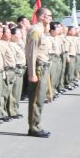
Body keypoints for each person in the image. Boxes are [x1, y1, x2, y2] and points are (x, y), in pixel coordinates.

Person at [26, 7, 52, 138]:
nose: (51, 18)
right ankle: (33, 127)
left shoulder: (42, 31)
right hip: (38, 68)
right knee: (36, 99)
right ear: (41, 16)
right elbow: (31, 53)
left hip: (44, 66)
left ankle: (36, 124)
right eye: (49, 16)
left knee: (41, 99)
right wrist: (32, 73)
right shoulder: (35, 30)